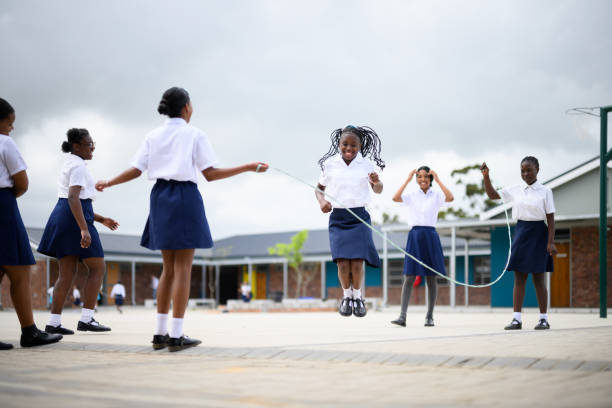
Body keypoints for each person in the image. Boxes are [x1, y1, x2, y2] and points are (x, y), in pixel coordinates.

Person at [95, 87, 268, 352]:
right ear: (186, 107)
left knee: (168, 268)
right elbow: (210, 173)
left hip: (160, 197)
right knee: (184, 268)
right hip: (185, 195)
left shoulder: (153, 135)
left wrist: (109, 182)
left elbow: (136, 169)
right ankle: (176, 335)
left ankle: (159, 333)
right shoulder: (194, 134)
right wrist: (247, 167)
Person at [38, 128, 119, 335]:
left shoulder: (71, 163)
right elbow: (74, 198)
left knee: (66, 274)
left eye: (93, 144)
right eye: (89, 144)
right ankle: (87, 319)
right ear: (76, 146)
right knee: (98, 267)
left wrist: (100, 220)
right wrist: (84, 229)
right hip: (75, 219)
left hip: (64, 216)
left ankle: (53, 323)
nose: (92, 148)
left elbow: (77, 200)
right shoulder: (79, 167)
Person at [0, 97, 62, 349]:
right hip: (4, 206)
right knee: (19, 271)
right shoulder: (5, 143)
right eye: (9, 122)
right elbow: (22, 183)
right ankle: (29, 331)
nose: (11, 128)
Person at [315, 125, 384, 318]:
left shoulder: (366, 165)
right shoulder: (330, 164)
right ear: (339, 144)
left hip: (359, 217)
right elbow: (319, 188)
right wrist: (322, 201)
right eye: (345, 144)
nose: (349, 148)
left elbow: (378, 190)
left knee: (357, 263)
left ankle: (358, 297)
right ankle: (346, 297)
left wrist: (376, 182)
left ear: (360, 146)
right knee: (343, 263)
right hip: (338, 218)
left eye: (353, 145)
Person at [481, 157, 556, 330]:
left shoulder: (546, 191)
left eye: (529, 170)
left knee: (539, 279)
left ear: (537, 169)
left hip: (539, 234)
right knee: (519, 277)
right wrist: (486, 176)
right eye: (523, 170)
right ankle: (516, 319)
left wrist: (551, 242)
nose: (526, 174)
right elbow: (493, 195)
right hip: (521, 233)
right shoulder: (516, 189)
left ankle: (543, 319)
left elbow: (551, 219)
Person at [390, 166, 454, 327]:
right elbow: (395, 198)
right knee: (409, 276)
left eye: (426, 176)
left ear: (430, 178)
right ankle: (402, 316)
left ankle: (429, 316)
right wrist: (407, 178)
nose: (422, 179)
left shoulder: (437, 195)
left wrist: (438, 179)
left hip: (431, 235)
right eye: (419, 177)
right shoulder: (412, 195)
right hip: (415, 236)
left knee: (431, 277)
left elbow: (450, 197)